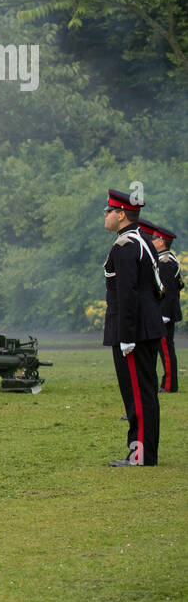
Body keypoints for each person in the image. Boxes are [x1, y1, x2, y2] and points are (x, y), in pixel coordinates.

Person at [102, 190, 164, 467]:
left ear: (121, 214)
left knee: (137, 394)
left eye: (109, 211)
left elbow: (127, 293)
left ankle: (140, 454)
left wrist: (126, 336)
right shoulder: (143, 240)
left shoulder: (126, 245)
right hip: (146, 328)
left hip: (133, 332)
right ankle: (145, 451)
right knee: (146, 392)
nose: (105, 215)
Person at [142, 221, 182, 393]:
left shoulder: (165, 261)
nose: (152, 240)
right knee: (164, 349)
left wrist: (164, 314)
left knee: (165, 350)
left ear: (161, 241)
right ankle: (168, 383)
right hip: (165, 311)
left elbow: (169, 291)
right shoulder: (167, 258)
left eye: (155, 238)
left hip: (164, 313)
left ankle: (169, 385)